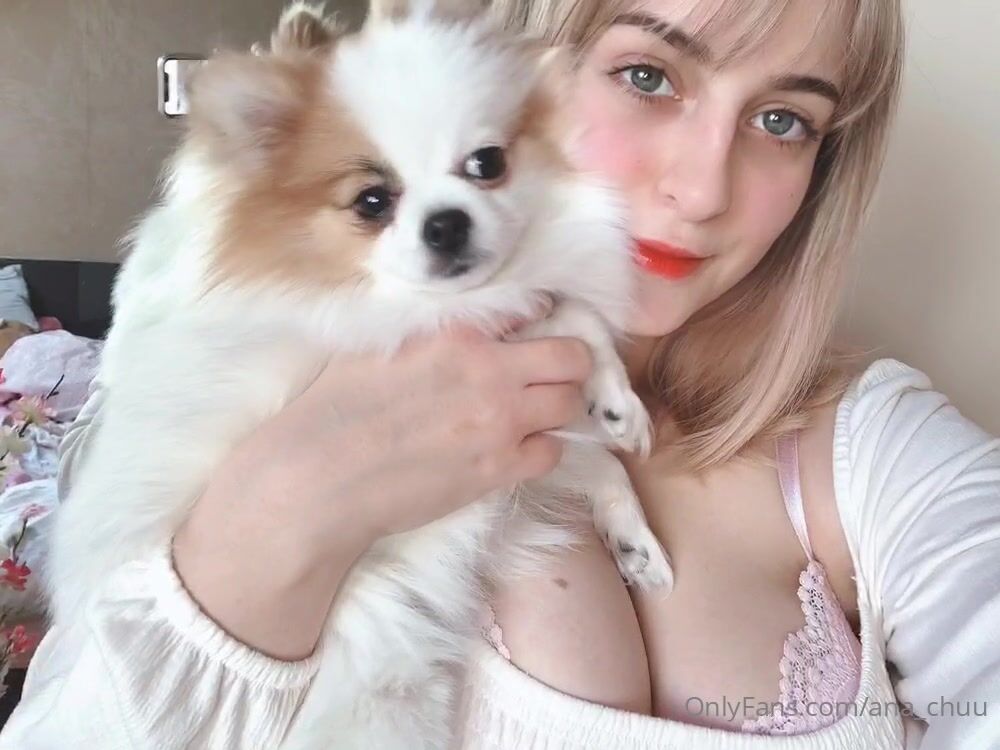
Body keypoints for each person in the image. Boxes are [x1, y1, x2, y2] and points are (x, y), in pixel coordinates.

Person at [3, 0, 999, 748]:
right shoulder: (223, 385)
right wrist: (280, 512)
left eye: (783, 120)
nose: (703, 188)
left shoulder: (874, 446)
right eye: (647, 75)